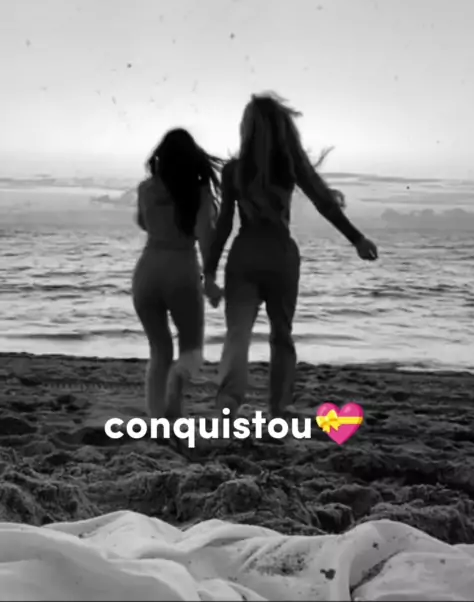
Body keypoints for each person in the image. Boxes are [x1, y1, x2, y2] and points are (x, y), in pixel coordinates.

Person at [203, 92, 378, 419]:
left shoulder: (234, 171)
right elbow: (324, 204)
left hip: (244, 254)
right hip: (280, 255)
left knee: (237, 334)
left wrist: (209, 273)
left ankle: (228, 400)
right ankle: (279, 407)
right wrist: (357, 238)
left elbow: (224, 224)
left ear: (246, 129)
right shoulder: (289, 168)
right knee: (281, 335)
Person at [132, 128, 223, 420]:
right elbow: (205, 236)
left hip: (147, 269)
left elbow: (143, 223)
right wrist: (210, 280)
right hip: (181, 268)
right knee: (191, 350)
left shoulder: (145, 189)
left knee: (159, 350)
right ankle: (175, 395)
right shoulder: (199, 192)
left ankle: (157, 416)